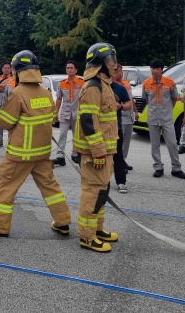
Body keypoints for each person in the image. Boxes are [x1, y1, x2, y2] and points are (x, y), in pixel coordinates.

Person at [0, 50, 71, 238]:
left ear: (17, 72)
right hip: (42, 153)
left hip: (20, 154)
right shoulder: (46, 93)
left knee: (5, 188)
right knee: (51, 188)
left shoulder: (18, 94)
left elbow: (4, 122)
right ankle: (63, 222)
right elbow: (51, 117)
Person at [72, 43, 119, 253]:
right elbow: (88, 121)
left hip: (105, 151)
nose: (113, 64)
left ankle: (97, 229)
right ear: (101, 63)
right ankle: (87, 236)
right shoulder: (93, 86)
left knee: (101, 191)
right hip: (95, 153)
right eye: (110, 60)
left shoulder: (103, 84)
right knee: (92, 193)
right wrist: (98, 152)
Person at [142, 60, 185, 179]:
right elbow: (147, 99)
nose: (155, 71)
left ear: (162, 70)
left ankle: (176, 168)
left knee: (172, 143)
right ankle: (158, 167)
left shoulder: (170, 83)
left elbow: (174, 98)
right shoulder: (146, 83)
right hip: (153, 118)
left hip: (167, 118)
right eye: (153, 68)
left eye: (157, 68)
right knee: (155, 145)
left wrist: (167, 110)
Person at [52, 61, 84, 166]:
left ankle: (75, 153)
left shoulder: (81, 82)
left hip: (77, 113)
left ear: (76, 70)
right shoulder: (62, 83)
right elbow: (59, 99)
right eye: (67, 68)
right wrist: (56, 113)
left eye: (71, 68)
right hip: (65, 113)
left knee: (76, 135)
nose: (69, 70)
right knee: (62, 134)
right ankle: (60, 156)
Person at [111, 66, 133, 193]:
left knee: (118, 156)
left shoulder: (120, 88)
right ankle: (101, 183)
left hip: (116, 128)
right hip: (101, 129)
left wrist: (121, 106)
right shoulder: (97, 88)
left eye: (115, 71)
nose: (112, 74)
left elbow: (129, 104)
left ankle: (121, 182)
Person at [113, 63, 136, 169]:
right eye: (118, 71)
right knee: (119, 141)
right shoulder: (113, 86)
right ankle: (118, 162)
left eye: (121, 71)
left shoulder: (126, 83)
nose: (120, 73)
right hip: (121, 116)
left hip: (129, 114)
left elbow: (130, 99)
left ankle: (123, 160)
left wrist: (135, 111)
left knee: (127, 141)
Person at [0, 62, 16, 148]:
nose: (7, 69)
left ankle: (11, 141)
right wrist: (6, 86)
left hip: (9, 104)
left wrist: (2, 86)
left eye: (8, 68)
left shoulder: (13, 78)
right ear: (2, 69)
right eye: (5, 68)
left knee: (11, 122)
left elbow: (13, 90)